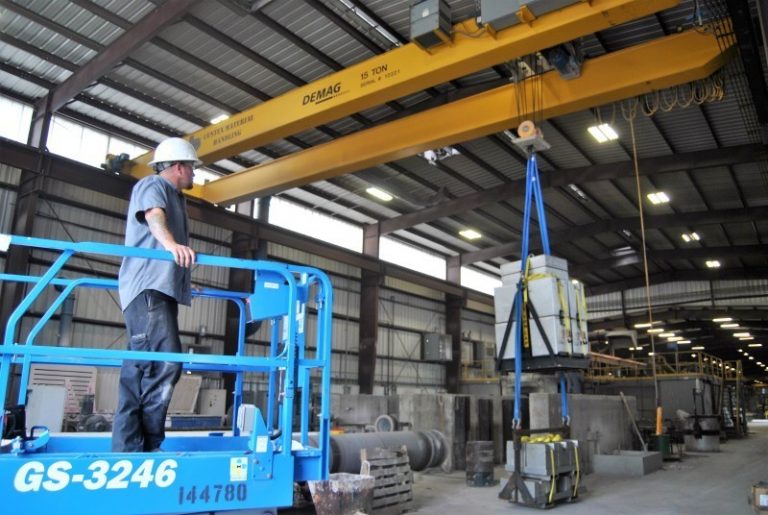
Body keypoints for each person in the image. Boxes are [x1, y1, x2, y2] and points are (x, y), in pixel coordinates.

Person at [112, 137, 200, 452]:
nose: (194, 174)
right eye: (191, 167)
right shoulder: (153, 185)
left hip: (159, 289)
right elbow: (153, 217)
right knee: (163, 363)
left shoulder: (176, 197)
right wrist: (172, 245)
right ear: (178, 166)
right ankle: (141, 446)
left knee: (144, 363)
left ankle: (134, 444)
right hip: (148, 287)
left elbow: (166, 250)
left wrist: (184, 279)